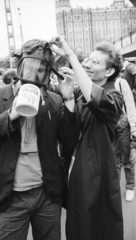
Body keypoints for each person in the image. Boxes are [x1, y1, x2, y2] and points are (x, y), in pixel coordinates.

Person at [0, 39, 80, 240]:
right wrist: (9, 115)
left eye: (42, 69)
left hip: (47, 194)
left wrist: (68, 99)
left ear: (50, 73)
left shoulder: (54, 99)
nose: (35, 74)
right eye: (30, 66)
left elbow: (70, 139)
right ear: (19, 66)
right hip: (10, 197)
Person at [50, 37, 124, 240]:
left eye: (95, 62)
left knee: (98, 228)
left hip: (97, 176)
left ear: (109, 71)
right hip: (75, 173)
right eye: (87, 60)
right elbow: (70, 138)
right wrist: (68, 98)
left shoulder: (114, 97)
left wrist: (71, 56)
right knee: (77, 228)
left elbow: (95, 98)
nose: (87, 64)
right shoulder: (80, 95)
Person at [113, 77, 136, 201]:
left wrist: (133, 127)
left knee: (127, 158)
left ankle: (130, 186)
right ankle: (115, 188)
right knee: (114, 159)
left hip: (123, 125)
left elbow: (130, 104)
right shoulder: (98, 82)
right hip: (109, 126)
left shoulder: (121, 82)